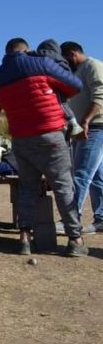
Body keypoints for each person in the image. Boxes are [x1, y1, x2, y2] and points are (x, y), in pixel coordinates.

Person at [0, 37, 87, 256]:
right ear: (26, 50)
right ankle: (75, 240)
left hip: (21, 140)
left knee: (27, 188)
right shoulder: (40, 63)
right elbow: (74, 86)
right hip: (51, 135)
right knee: (63, 186)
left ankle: (24, 239)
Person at [61, 41, 103, 234]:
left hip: (95, 127)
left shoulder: (92, 66)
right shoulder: (77, 73)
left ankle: (71, 219)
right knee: (96, 176)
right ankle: (101, 219)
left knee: (80, 175)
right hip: (85, 128)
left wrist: (85, 121)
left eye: (66, 58)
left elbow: (100, 96)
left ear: (73, 53)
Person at [27, 39, 84, 138]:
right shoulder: (60, 60)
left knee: (60, 105)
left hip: (50, 89)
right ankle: (72, 124)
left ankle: (72, 124)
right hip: (60, 88)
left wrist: (27, 53)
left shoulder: (42, 58)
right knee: (63, 104)